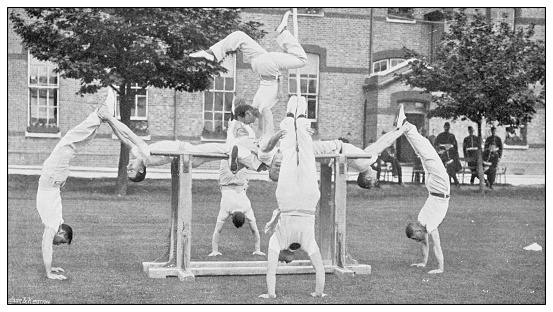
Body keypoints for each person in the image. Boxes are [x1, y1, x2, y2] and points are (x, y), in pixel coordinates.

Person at [37, 88, 116, 280]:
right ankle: (102, 114)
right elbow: (47, 244)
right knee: (71, 142)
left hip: (53, 178)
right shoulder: (55, 223)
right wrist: (49, 270)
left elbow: (46, 244)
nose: (58, 244)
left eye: (60, 244)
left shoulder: (54, 222)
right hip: (53, 178)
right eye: (62, 242)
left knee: (73, 143)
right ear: (63, 232)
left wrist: (50, 270)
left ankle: (102, 115)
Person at [190, 10, 307, 138]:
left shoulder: (260, 108)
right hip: (261, 65)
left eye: (247, 122)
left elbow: (268, 116)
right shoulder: (256, 104)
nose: (250, 123)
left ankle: (211, 52)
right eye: (247, 124)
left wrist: (268, 137)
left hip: (267, 66)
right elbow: (278, 82)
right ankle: (211, 52)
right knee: (239, 36)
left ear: (247, 114)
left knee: (302, 60)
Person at [97, 104, 273, 182]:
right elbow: (129, 133)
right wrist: (109, 117)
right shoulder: (144, 155)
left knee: (229, 149)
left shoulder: (137, 154)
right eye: (132, 170)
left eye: (128, 170)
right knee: (228, 148)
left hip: (188, 153)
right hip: (190, 156)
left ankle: (255, 162)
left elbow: (124, 138)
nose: (128, 167)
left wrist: (109, 122)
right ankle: (258, 162)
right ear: (142, 169)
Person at [259, 96, 326, 299]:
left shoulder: (294, 242)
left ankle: (298, 118)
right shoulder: (282, 241)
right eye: (285, 260)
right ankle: (295, 118)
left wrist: (271, 295)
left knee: (299, 156)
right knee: (298, 156)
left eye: (281, 261)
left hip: (297, 201)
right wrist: (317, 293)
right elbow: (320, 271)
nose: (283, 261)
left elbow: (319, 271)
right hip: (299, 201)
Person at [389, 104, 450, 274]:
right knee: (426, 153)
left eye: (416, 238)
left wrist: (438, 268)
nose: (418, 241)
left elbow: (433, 246)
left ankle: (407, 127)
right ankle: (408, 126)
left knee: (424, 153)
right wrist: (426, 263)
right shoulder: (428, 226)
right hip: (440, 188)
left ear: (417, 229)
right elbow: (431, 244)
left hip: (435, 186)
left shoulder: (424, 221)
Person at [209, 160, 266, 257]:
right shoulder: (226, 209)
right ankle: (231, 157)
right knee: (225, 158)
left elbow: (255, 231)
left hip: (240, 182)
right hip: (226, 182)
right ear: (231, 219)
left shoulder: (246, 207)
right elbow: (217, 231)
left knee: (240, 158)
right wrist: (257, 250)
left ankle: (235, 158)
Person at [435, 122, 461, 187]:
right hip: (442, 156)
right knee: (445, 168)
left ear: (449, 128)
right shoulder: (440, 136)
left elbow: (455, 147)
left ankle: (453, 181)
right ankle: (455, 181)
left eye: (448, 127)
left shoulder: (452, 136)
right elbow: (436, 145)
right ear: (444, 127)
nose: (447, 128)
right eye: (445, 127)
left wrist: (450, 148)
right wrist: (441, 149)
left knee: (450, 166)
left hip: (450, 156)